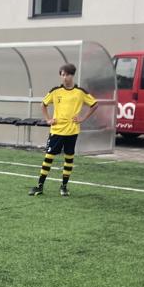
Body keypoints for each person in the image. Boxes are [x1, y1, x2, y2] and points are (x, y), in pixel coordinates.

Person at [29, 63, 97, 197]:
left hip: (72, 131)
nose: (65, 77)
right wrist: (48, 119)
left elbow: (94, 105)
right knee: (48, 157)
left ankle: (64, 187)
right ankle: (40, 186)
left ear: (72, 75)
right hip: (57, 131)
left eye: (67, 75)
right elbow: (43, 104)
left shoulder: (80, 92)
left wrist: (82, 118)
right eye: (63, 75)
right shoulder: (55, 91)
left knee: (69, 159)